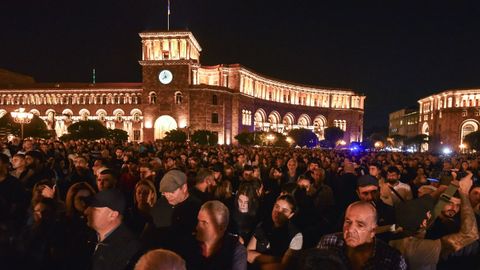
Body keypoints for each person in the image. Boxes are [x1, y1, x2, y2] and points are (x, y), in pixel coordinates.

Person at [389, 172, 479, 270]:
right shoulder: (426, 234)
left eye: (458, 205)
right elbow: (469, 235)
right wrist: (464, 192)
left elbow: (439, 207)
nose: (453, 208)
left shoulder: (455, 222)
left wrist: (453, 186)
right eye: (450, 203)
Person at [317, 201, 407, 270]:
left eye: (360, 225)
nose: (350, 229)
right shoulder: (328, 242)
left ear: (373, 231)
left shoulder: (391, 259)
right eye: (348, 222)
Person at [180, 200, 247, 270]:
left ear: (221, 227)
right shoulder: (189, 243)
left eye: (204, 223)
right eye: (198, 221)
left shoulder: (235, 251)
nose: (197, 227)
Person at [85, 189, 142, 270]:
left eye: (94, 210)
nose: (85, 211)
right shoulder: (85, 237)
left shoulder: (129, 248)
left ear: (112, 215)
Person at [147, 169, 201, 250]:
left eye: (171, 192)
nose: (168, 195)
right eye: (164, 192)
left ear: (184, 188)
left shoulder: (197, 207)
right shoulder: (160, 205)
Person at [247, 194, 303, 269]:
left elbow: (284, 266)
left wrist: (258, 261)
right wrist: (277, 259)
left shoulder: (296, 236)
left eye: (284, 211)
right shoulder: (263, 225)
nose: (278, 212)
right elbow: (247, 253)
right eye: (277, 207)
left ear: (291, 215)